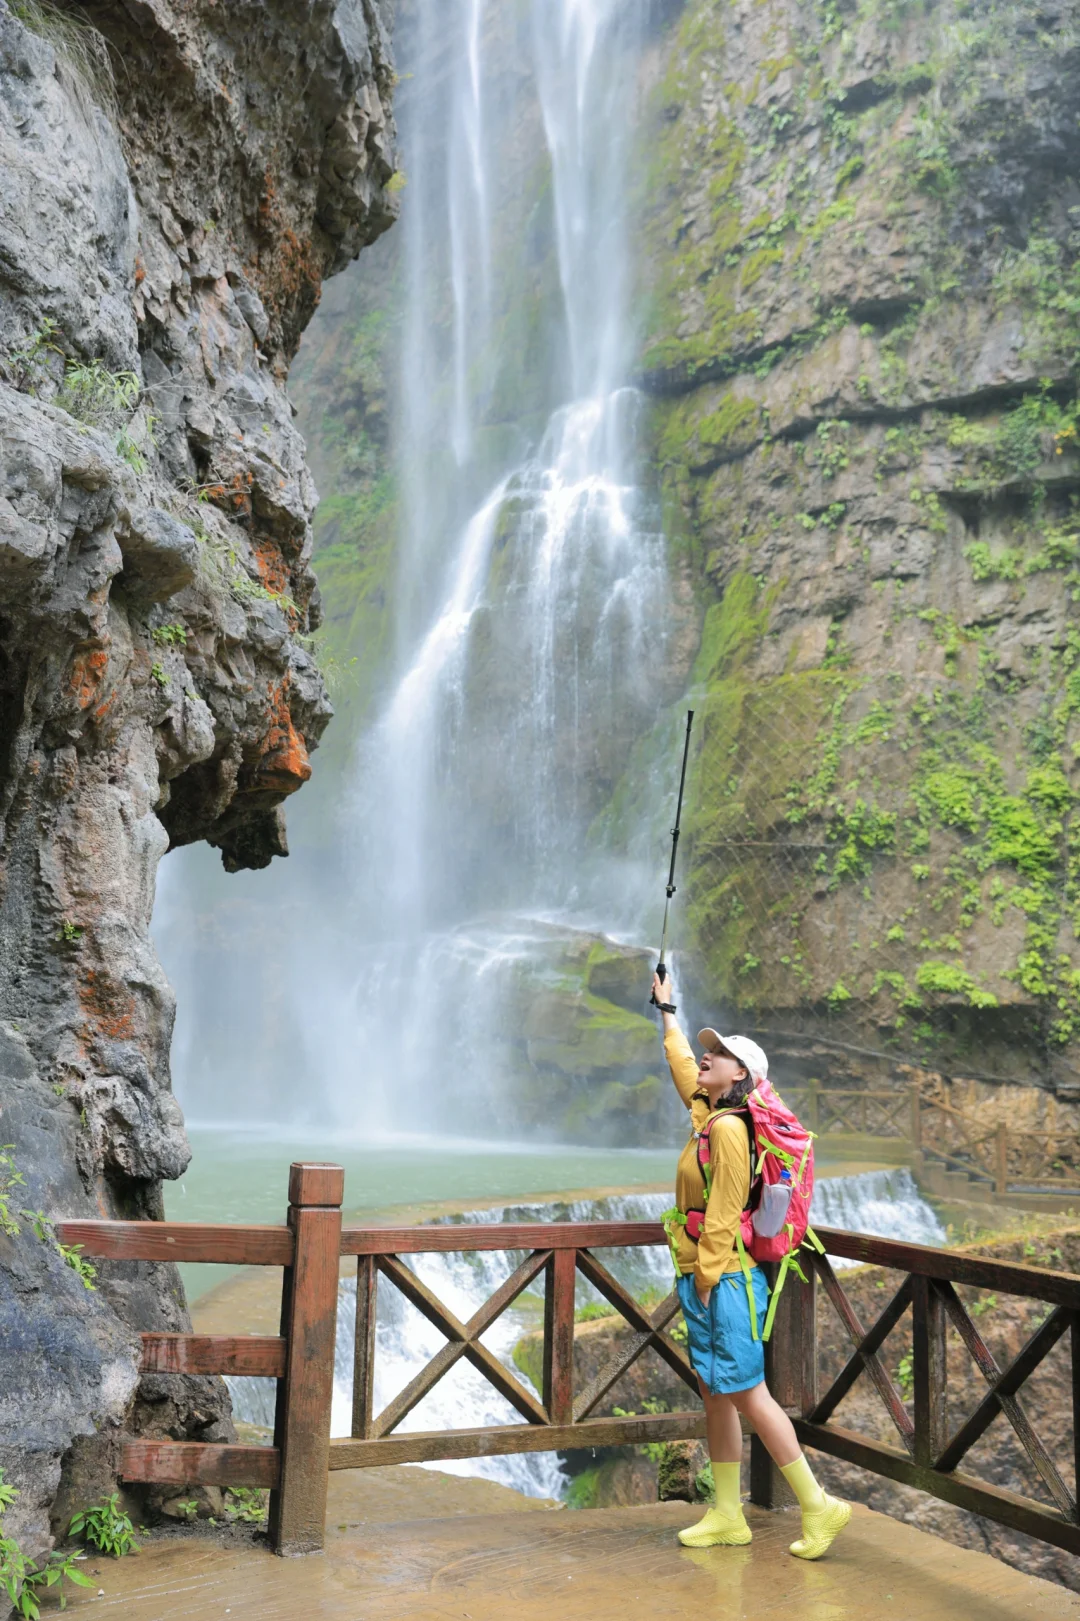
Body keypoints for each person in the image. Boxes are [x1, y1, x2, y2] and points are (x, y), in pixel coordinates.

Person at [652, 970, 850, 1560]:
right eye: (708, 1050)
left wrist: (708, 1275)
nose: (706, 1057)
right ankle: (727, 1513)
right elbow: (683, 1067)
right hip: (703, 1276)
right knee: (715, 1393)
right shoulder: (708, 1117)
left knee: (749, 1393)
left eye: (719, 1054)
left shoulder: (731, 1131)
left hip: (726, 1280)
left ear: (741, 1075)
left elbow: (723, 1206)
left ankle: (818, 1505)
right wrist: (667, 1012)